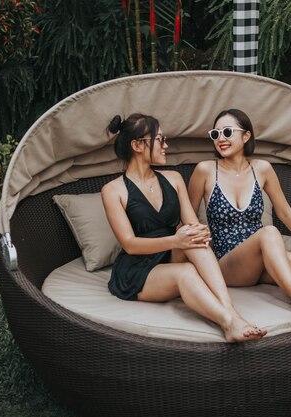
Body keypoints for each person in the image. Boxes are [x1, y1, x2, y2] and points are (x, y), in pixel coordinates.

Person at [101, 113, 266, 342]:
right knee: (186, 271)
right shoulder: (113, 190)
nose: (165, 145)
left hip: (172, 253)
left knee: (194, 236)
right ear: (137, 145)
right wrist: (176, 241)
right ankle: (229, 323)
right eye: (159, 140)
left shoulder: (174, 178)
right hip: (138, 269)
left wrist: (199, 231)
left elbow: (192, 224)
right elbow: (130, 244)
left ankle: (232, 312)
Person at [188, 109, 291, 332]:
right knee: (269, 232)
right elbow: (186, 218)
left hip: (258, 261)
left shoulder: (262, 169)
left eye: (227, 131)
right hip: (226, 264)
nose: (221, 139)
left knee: (288, 259)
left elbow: (285, 212)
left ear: (246, 136)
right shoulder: (205, 170)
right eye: (215, 134)